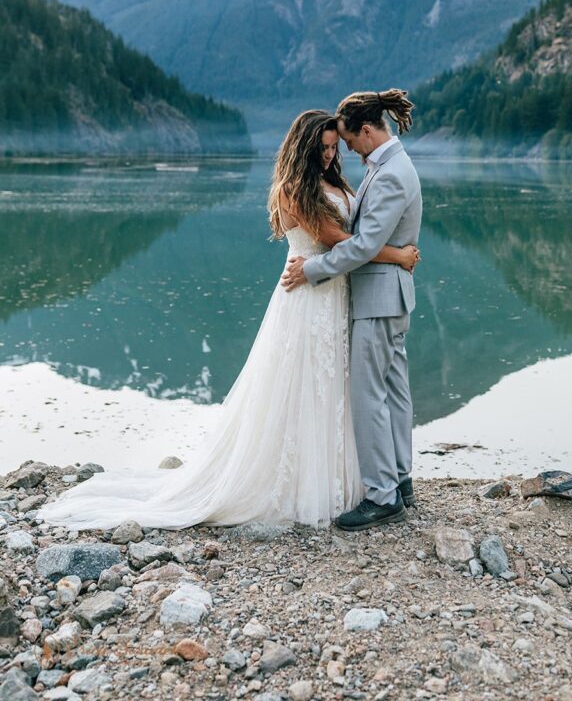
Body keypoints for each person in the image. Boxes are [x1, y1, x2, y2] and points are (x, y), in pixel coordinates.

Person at [37, 110, 419, 530]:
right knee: (302, 386)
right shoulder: (294, 189)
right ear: (303, 147)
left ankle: (354, 480)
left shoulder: (336, 182)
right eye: (323, 147)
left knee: (335, 389)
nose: (330, 155)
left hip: (335, 295)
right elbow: (342, 242)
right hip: (306, 295)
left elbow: (357, 239)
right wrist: (397, 255)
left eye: (333, 146)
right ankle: (306, 483)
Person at [282, 89, 422, 531]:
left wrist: (313, 270)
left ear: (366, 131)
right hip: (386, 296)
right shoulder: (387, 168)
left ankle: (382, 496)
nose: (345, 151)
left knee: (369, 395)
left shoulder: (391, 173)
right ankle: (400, 481)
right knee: (394, 390)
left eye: (346, 141)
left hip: (379, 298)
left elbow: (362, 245)